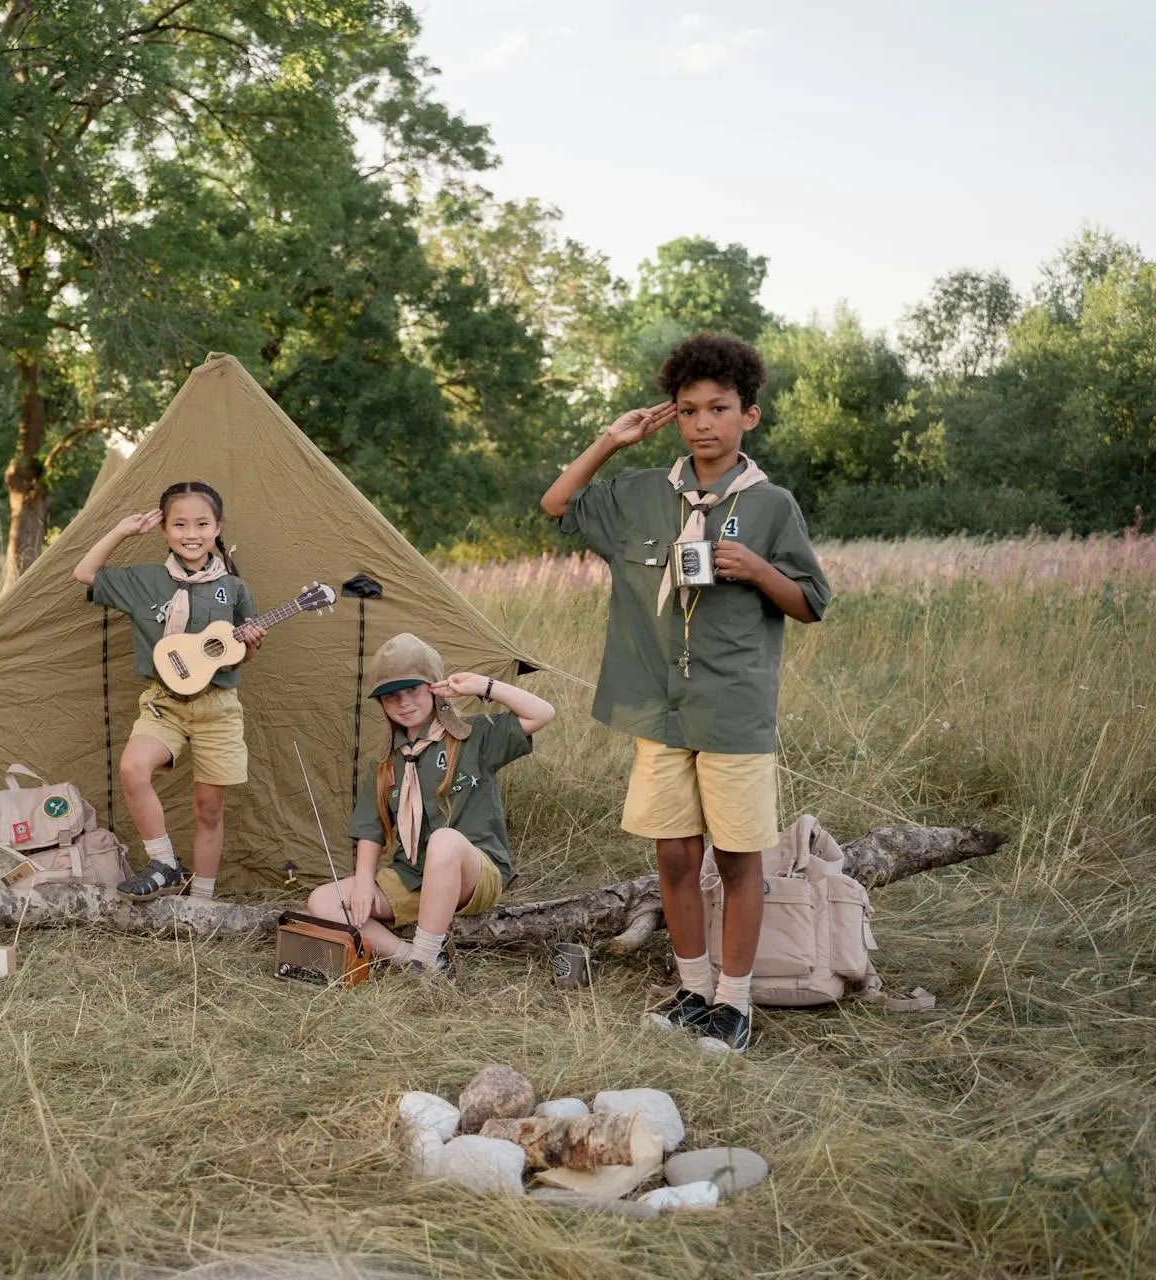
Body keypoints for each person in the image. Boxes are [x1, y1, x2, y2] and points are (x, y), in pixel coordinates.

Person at [540, 333, 830, 1052]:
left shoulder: (770, 505)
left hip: (731, 708)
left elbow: (811, 601)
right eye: (690, 409)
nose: (704, 423)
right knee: (674, 855)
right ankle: (693, 989)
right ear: (674, 414)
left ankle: (735, 1004)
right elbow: (556, 504)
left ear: (749, 417)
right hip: (657, 706)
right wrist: (612, 440)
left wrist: (759, 570)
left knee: (737, 859)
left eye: (720, 409)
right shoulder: (641, 496)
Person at [309, 632, 554, 975]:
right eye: (392, 696)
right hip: (413, 877)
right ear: (382, 703)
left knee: (445, 841)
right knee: (322, 901)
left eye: (414, 689)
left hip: (474, 872)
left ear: (435, 688)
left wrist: (482, 686)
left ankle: (425, 954)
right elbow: (370, 830)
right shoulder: (386, 761)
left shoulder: (473, 736)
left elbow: (543, 713)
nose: (404, 702)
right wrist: (364, 881)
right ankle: (415, 960)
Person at [72, 481, 266, 900]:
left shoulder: (234, 589)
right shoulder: (146, 581)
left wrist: (248, 647)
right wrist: (121, 531)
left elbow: (237, 655)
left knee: (208, 809)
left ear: (218, 528)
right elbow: (84, 573)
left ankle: (202, 903)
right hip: (163, 703)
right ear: (164, 530)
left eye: (201, 523)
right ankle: (164, 863)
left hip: (217, 707)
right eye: (179, 524)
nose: (190, 533)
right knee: (132, 768)